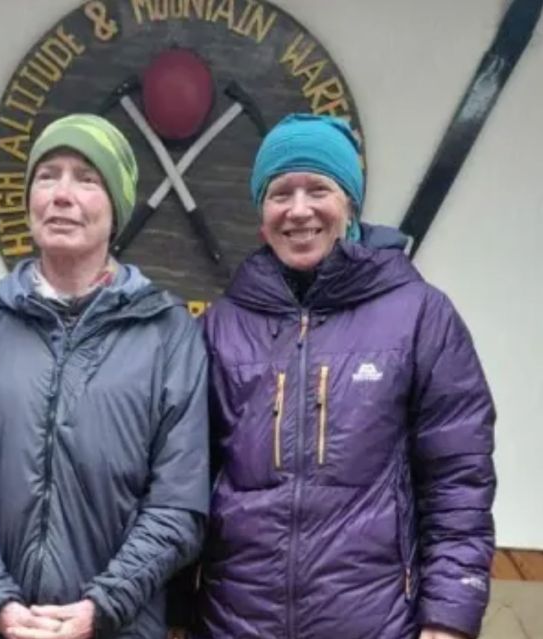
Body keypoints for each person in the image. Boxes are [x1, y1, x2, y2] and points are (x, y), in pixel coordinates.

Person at [194, 114, 496, 639]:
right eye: (280, 192)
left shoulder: (421, 316)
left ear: (350, 200)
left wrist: (448, 619)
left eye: (319, 188)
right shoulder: (221, 326)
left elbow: (458, 482)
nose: (299, 210)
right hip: (233, 625)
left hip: (376, 624)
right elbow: (186, 484)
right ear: (261, 213)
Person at [0, 114, 209, 639]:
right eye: (47, 175)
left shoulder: (168, 335)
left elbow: (178, 503)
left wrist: (100, 608)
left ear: (116, 206)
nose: (62, 194)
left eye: (87, 178)